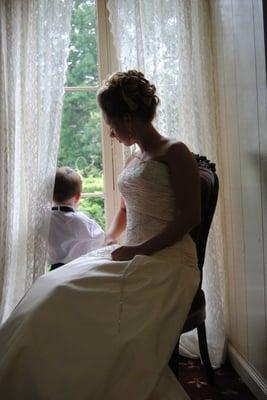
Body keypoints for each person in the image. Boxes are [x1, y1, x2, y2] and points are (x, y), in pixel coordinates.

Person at [0, 70, 201, 400]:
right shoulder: (135, 156)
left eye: (112, 122)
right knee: (49, 286)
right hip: (130, 249)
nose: (110, 132)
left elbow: (190, 217)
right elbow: (124, 211)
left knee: (68, 296)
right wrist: (109, 240)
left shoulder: (175, 151)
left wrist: (140, 250)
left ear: (128, 119)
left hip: (167, 258)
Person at [48, 166, 105, 270]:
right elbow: (101, 240)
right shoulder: (84, 222)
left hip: (54, 272)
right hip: (80, 270)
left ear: (50, 194)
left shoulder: (45, 221)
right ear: (78, 196)